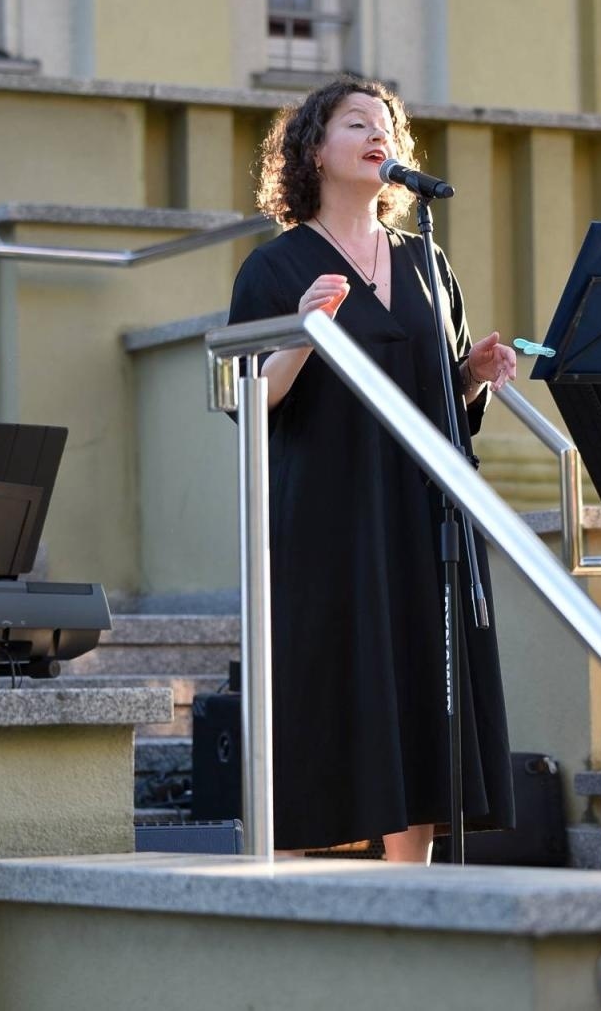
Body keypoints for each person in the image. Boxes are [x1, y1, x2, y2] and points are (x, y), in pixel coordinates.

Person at [227, 77, 517, 862]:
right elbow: (251, 400)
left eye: (386, 124)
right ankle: (291, 896)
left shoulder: (426, 261)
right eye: (355, 123)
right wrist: (302, 334)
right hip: (329, 515)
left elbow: (436, 390)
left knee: (422, 691)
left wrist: (473, 373)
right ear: (314, 149)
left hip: (421, 514)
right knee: (325, 693)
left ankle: (411, 895)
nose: (376, 134)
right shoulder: (276, 267)